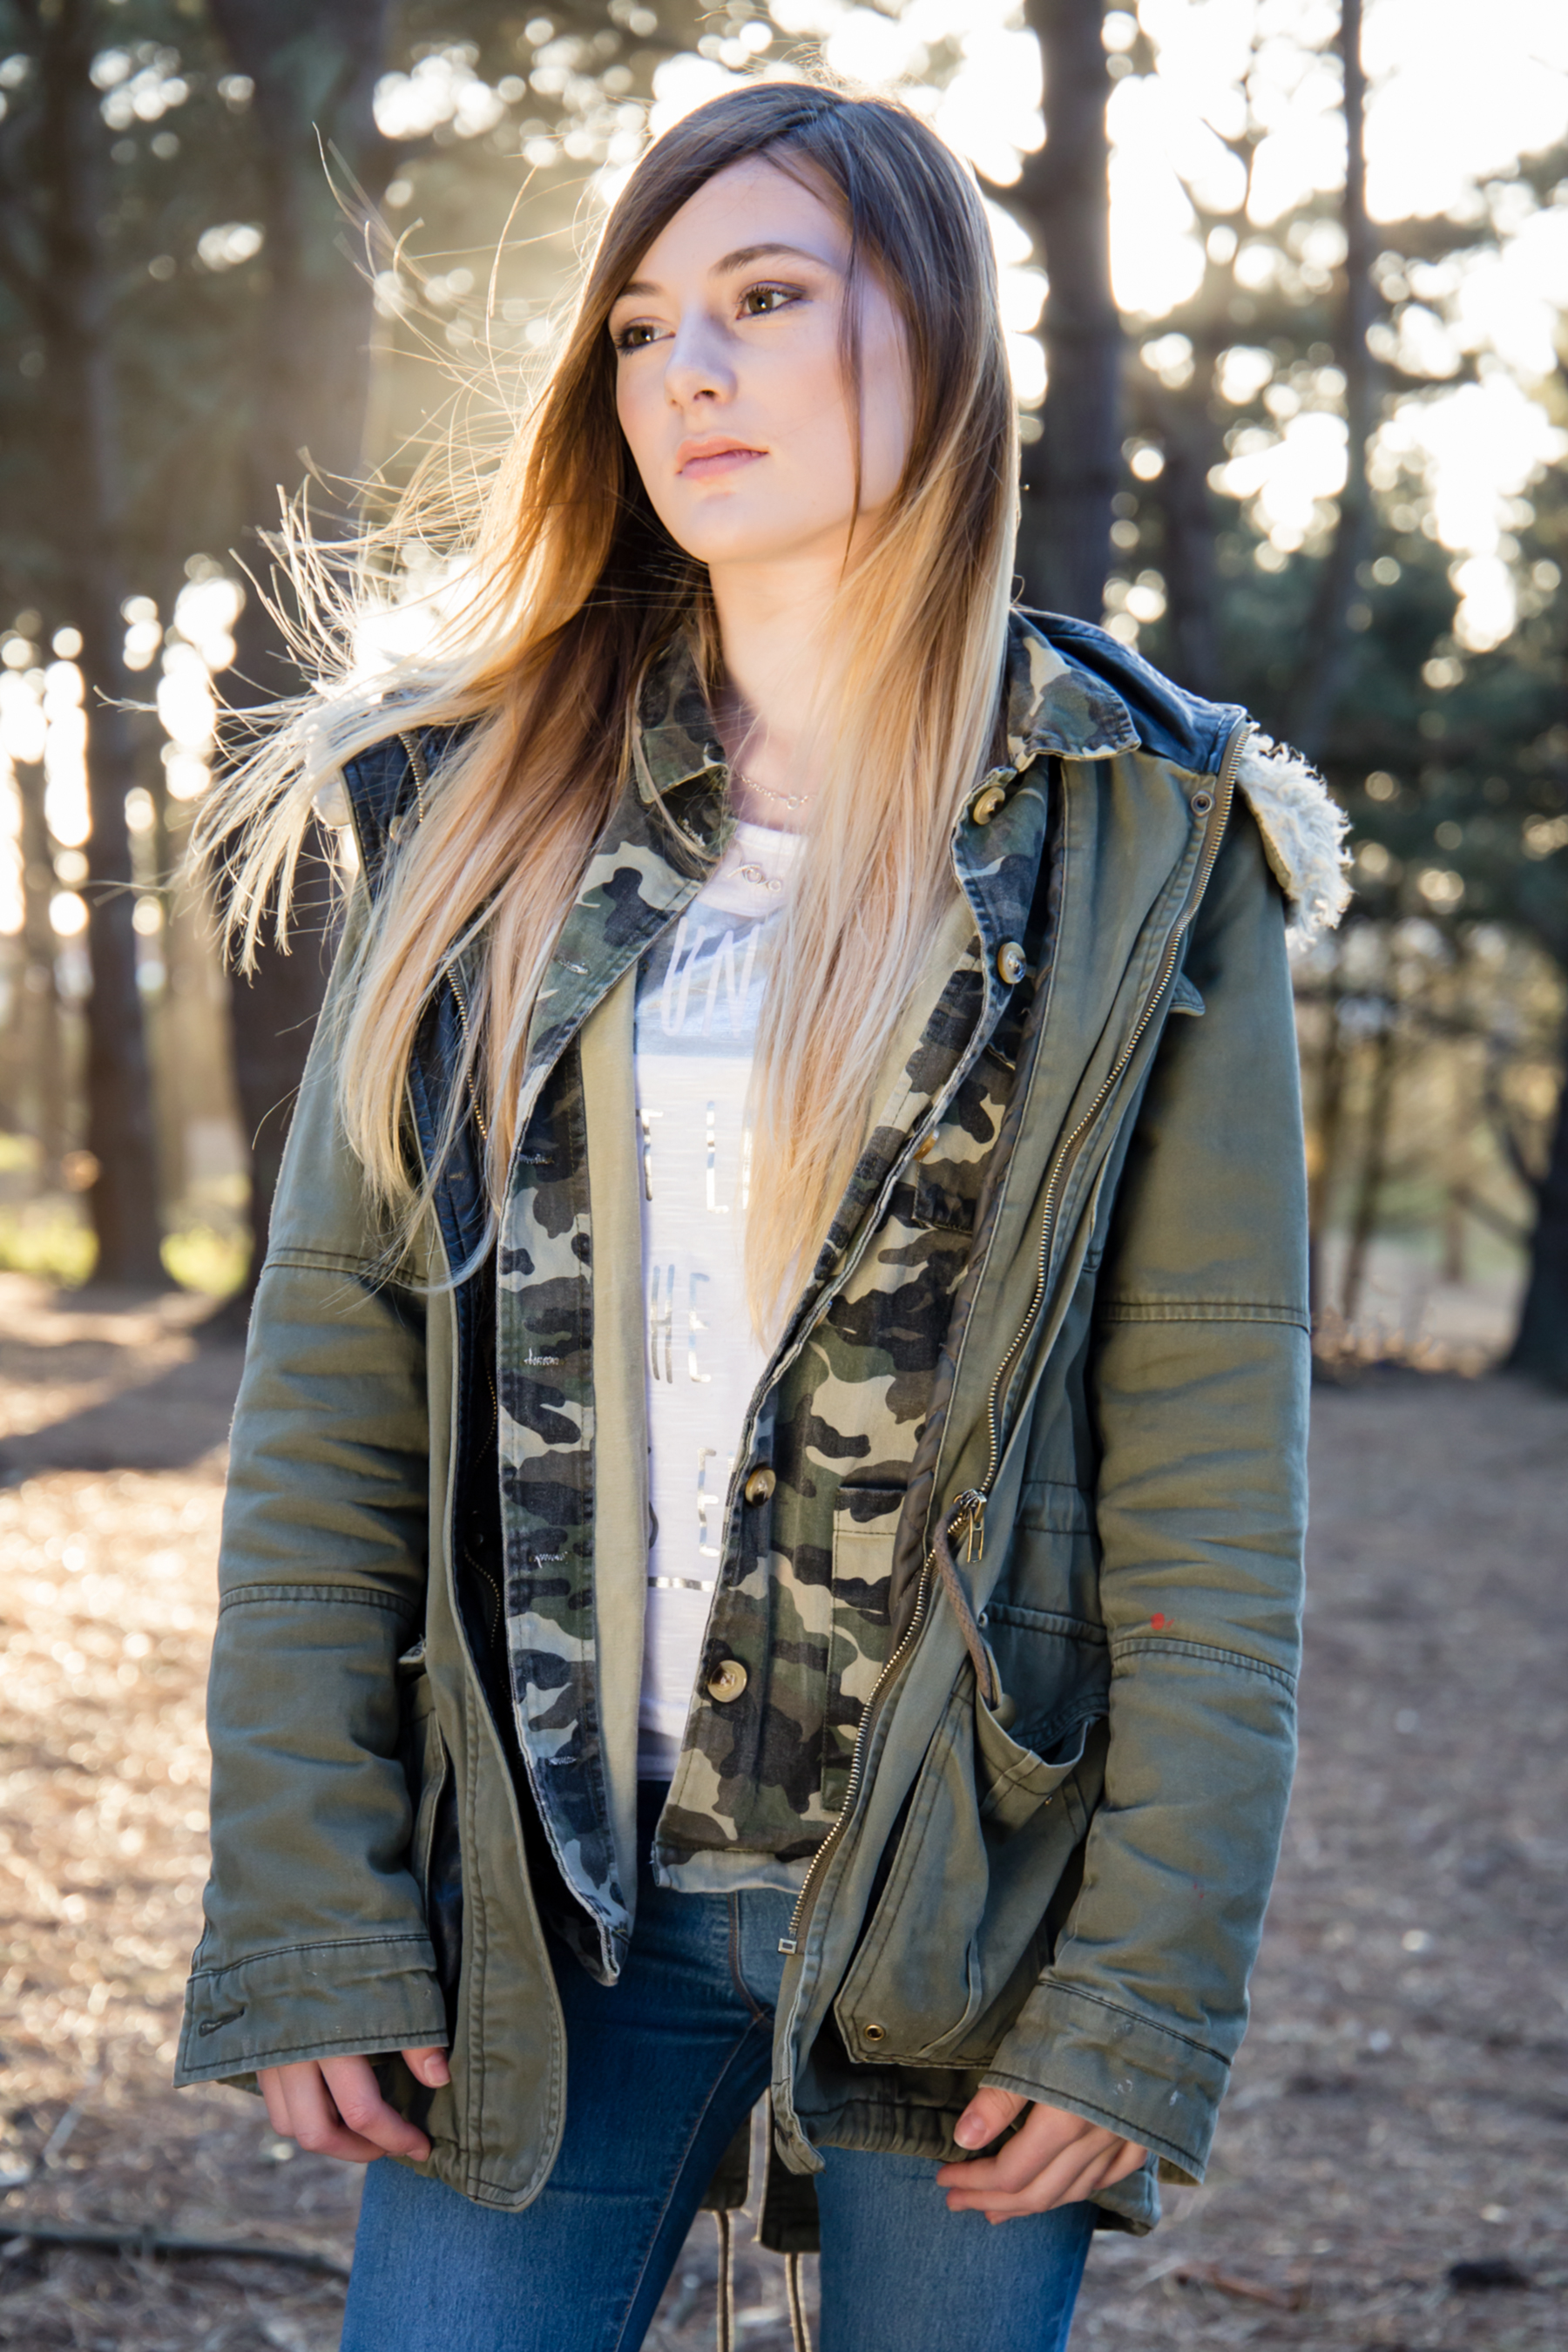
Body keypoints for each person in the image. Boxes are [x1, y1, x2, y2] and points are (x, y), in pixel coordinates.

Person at [176, 78, 1348, 2352]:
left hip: (960, 1906)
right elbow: (332, 1393)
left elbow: (1215, 1484)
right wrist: (313, 1893)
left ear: (940, 338)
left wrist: (1139, 1991)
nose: (684, 371)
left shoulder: (1145, 836)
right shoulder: (473, 804)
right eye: (638, 326)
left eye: (767, 299)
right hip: (540, 1909)